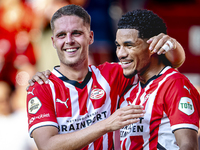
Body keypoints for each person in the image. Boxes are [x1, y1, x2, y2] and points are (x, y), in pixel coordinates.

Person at [26, 5, 185, 150]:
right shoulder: (40, 87)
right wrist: (107, 124)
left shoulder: (112, 74)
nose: (69, 41)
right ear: (53, 42)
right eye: (61, 35)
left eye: (77, 33)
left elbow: (169, 65)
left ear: (91, 37)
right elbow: (47, 146)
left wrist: (172, 45)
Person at [116, 9, 200, 149]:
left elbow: (188, 146)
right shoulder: (130, 87)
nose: (120, 54)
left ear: (152, 46)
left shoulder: (174, 84)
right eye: (118, 46)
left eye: (129, 45)